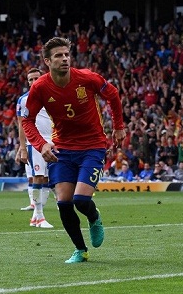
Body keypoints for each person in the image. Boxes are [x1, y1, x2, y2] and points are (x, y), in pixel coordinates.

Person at [22, 37, 125, 263]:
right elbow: (27, 121)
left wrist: (118, 127)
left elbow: (113, 95)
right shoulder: (40, 87)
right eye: (58, 55)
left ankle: (94, 217)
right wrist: (42, 144)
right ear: (48, 61)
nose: (65, 59)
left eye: (66, 54)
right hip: (63, 149)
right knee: (63, 202)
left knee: (80, 200)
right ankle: (80, 250)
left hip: (93, 145)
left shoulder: (87, 78)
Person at [16, 67, 53, 228]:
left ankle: (35, 217)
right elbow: (21, 125)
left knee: (46, 179)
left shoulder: (52, 94)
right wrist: (22, 148)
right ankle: (40, 216)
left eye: (36, 78)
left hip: (52, 142)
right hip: (35, 143)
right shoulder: (23, 100)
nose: (33, 82)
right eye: (30, 79)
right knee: (37, 176)